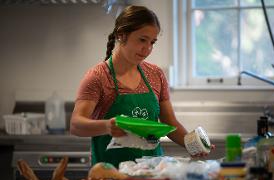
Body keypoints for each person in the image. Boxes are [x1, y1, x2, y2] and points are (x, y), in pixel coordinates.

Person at [70, 5, 213, 168]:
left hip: (152, 173)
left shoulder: (155, 75)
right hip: (112, 175)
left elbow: (170, 123)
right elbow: (76, 125)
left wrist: (192, 144)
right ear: (121, 35)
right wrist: (107, 126)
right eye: (142, 40)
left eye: (152, 42)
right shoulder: (98, 77)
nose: (148, 49)